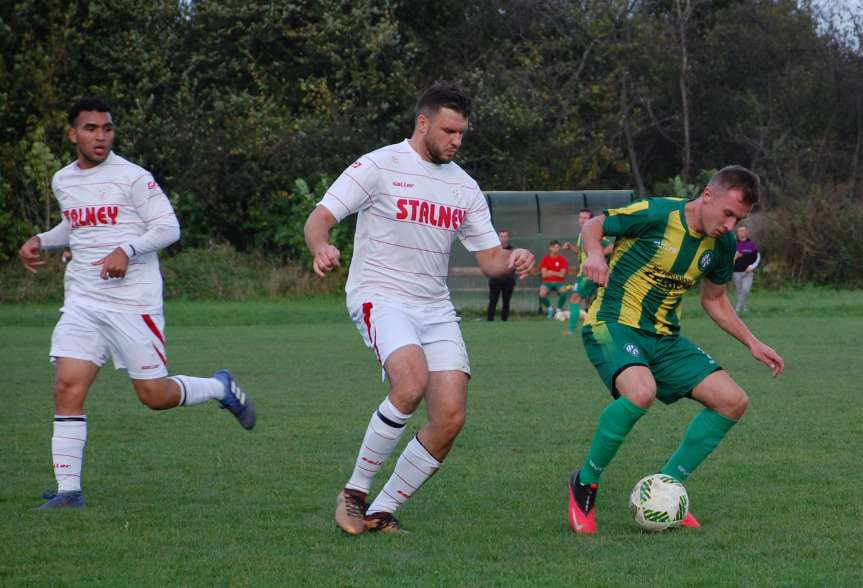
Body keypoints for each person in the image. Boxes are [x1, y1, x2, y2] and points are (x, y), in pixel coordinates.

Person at [304, 82, 534, 534]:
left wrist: (515, 259)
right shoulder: (378, 165)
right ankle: (353, 494)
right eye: (449, 130)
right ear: (423, 123)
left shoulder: (465, 187)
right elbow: (320, 217)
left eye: (463, 133)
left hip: (434, 306)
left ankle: (381, 510)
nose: (457, 140)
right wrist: (321, 246)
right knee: (410, 384)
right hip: (380, 294)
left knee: (450, 417)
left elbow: (492, 262)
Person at [17, 97, 255, 510]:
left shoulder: (133, 177)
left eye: (106, 128)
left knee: (153, 395)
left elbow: (169, 227)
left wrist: (127, 249)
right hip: (84, 300)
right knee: (67, 387)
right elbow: (76, 225)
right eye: (90, 129)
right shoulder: (63, 180)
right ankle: (69, 491)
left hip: (133, 303)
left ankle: (220, 387)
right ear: (73, 134)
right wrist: (42, 240)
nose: (100, 136)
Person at [567, 165, 785, 534]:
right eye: (728, 214)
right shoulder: (657, 213)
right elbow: (594, 225)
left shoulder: (723, 244)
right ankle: (584, 483)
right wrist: (594, 254)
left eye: (739, 218)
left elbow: (714, 300)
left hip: (664, 337)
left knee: (733, 400)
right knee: (641, 392)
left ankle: (666, 487)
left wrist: (752, 341)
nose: (730, 225)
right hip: (613, 323)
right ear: (708, 195)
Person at [562, 209, 613, 335]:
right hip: (583, 274)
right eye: (580, 217)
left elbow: (612, 246)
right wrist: (571, 247)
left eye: (585, 218)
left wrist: (599, 254)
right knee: (592, 302)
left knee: (575, 298)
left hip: (589, 274)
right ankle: (596, 328)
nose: (582, 220)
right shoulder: (582, 234)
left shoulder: (595, 233)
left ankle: (571, 331)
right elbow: (582, 253)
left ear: (591, 220)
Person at [487, 229, 517, 321]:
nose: (503, 238)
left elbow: (514, 265)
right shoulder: (493, 250)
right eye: (501, 236)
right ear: (498, 237)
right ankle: (490, 319)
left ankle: (504, 320)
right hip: (495, 280)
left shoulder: (512, 251)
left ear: (507, 237)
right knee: (493, 301)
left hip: (508, 280)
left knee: (506, 301)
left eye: (505, 236)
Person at [732, 224, 760, 313]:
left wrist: (751, 267)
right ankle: (743, 309)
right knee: (739, 291)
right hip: (736, 272)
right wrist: (736, 256)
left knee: (745, 290)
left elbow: (757, 258)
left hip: (748, 272)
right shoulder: (733, 244)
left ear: (747, 232)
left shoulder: (752, 244)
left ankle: (736, 308)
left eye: (743, 231)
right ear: (737, 233)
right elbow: (728, 259)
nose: (741, 233)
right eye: (739, 231)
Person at [538, 240, 569, 319]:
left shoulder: (562, 259)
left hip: (559, 282)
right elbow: (544, 274)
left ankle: (558, 310)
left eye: (558, 247)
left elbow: (562, 275)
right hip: (547, 282)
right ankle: (550, 309)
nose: (556, 249)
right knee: (541, 294)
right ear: (550, 248)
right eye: (554, 247)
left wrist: (551, 271)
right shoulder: (545, 259)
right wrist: (556, 273)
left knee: (564, 292)